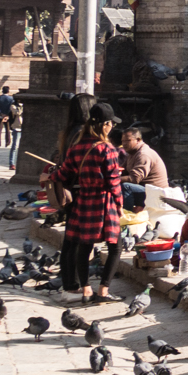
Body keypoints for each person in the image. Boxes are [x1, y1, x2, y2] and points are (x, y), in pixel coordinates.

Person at [39, 102, 123, 303]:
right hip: (103, 201)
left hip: (83, 200)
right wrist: (119, 204)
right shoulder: (107, 149)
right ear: (104, 125)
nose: (112, 126)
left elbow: (64, 172)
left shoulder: (77, 147)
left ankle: (85, 290)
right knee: (115, 246)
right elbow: (113, 181)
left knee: (85, 246)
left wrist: (49, 176)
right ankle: (103, 291)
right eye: (111, 123)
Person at [116, 124, 169, 212]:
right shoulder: (132, 153)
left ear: (138, 140)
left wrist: (113, 179)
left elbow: (135, 178)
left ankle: (127, 216)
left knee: (125, 187)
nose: (124, 144)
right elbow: (123, 170)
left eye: (128, 141)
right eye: (123, 141)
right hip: (145, 190)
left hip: (156, 194)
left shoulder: (143, 154)